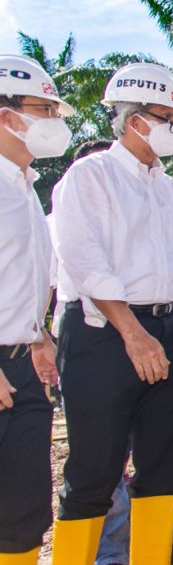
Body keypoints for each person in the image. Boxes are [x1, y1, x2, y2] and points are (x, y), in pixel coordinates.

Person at [50, 62, 173, 563]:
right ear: (134, 120)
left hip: (170, 330)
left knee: (166, 467)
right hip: (103, 334)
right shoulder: (89, 176)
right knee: (95, 472)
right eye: (167, 116)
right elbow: (85, 260)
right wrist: (132, 333)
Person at [0, 54, 72, 563]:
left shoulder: (24, 190)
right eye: (43, 109)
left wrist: (40, 336)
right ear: (6, 115)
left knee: (23, 511)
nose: (55, 122)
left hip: (22, 364)